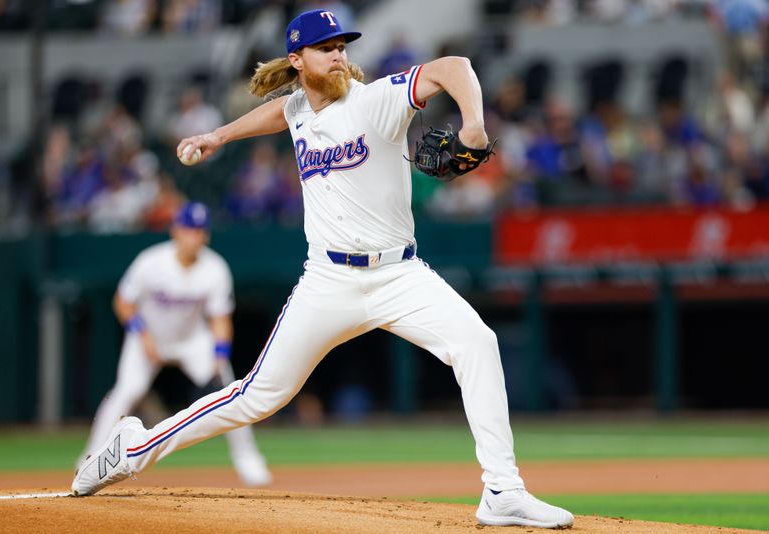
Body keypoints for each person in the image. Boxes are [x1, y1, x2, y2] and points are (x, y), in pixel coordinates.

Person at [72, 9, 573, 529]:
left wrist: (473, 122)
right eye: (325, 47)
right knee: (255, 397)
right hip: (328, 281)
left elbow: (455, 65)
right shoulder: (297, 109)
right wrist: (218, 136)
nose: (339, 55)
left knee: (478, 343)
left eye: (342, 45)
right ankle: (132, 450)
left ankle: (502, 490)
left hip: (399, 275)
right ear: (297, 60)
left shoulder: (376, 100)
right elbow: (282, 113)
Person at [75, 201, 272, 487]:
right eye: (190, 229)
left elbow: (220, 319)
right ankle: (89, 458)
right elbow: (123, 303)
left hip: (192, 341)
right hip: (148, 337)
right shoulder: (151, 262)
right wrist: (142, 336)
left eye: (201, 231)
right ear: (176, 231)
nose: (196, 236)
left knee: (231, 390)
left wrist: (219, 355)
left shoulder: (214, 268)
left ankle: (248, 460)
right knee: (126, 391)